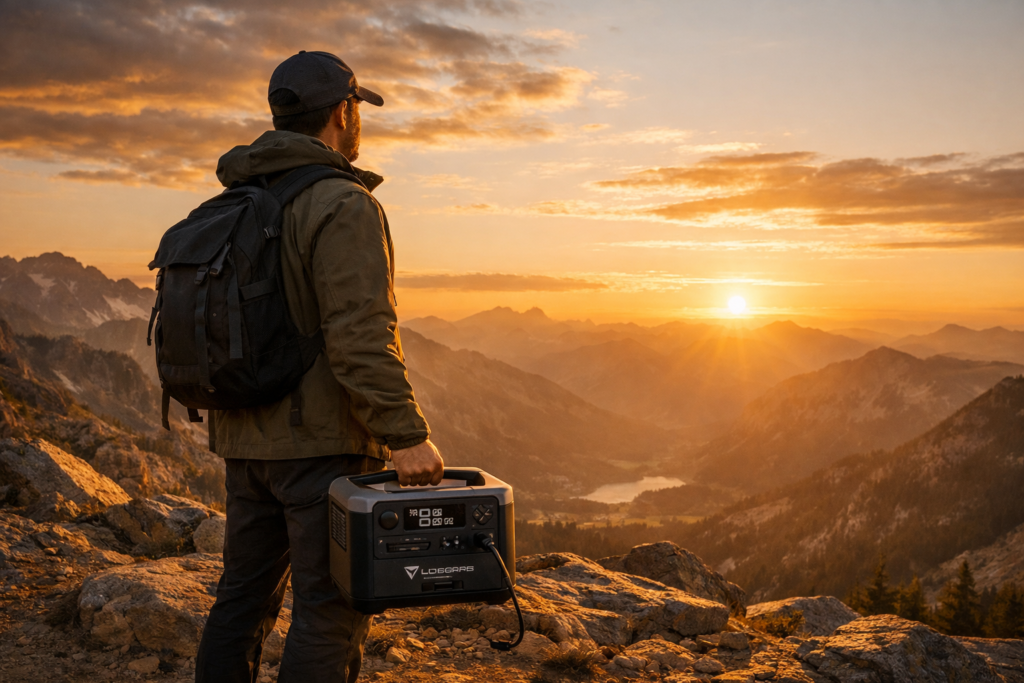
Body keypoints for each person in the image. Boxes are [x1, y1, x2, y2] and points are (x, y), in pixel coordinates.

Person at [194, 50, 444, 683]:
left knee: (241, 600)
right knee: (328, 611)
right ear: (343, 112)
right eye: (358, 107)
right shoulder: (341, 203)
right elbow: (360, 335)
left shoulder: (238, 199)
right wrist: (406, 434)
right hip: (321, 450)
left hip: (245, 442)